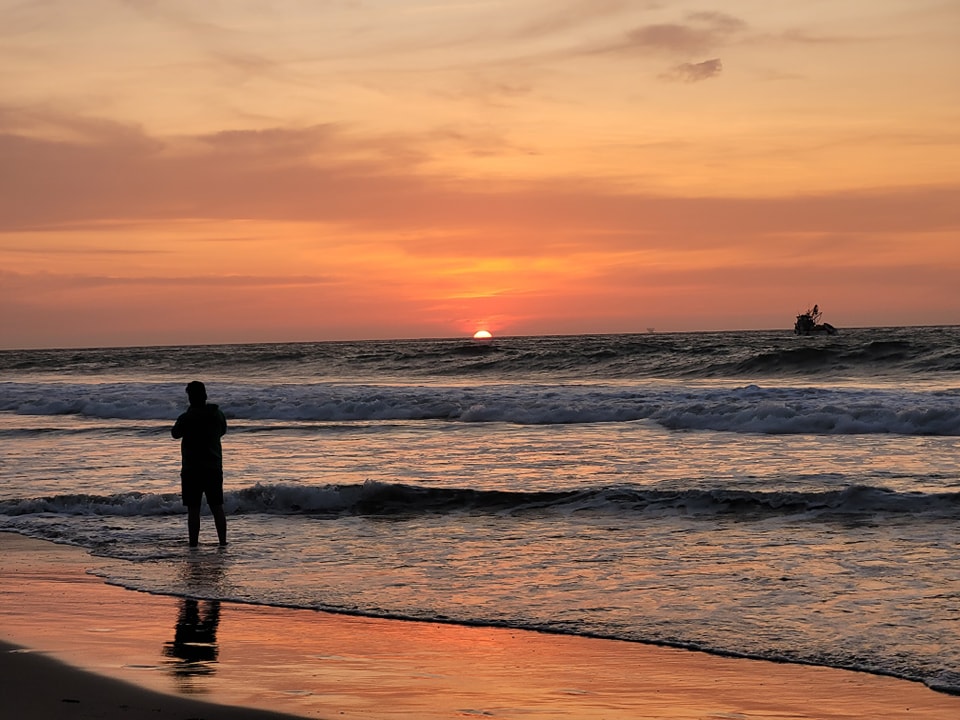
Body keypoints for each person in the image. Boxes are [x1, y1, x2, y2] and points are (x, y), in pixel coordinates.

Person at [172, 381, 228, 547]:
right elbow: (223, 431)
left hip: (192, 469)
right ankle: (223, 542)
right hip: (213, 466)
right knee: (217, 507)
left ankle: (193, 544)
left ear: (190, 397)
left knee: (193, 509)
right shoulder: (217, 414)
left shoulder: (187, 417)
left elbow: (175, 434)